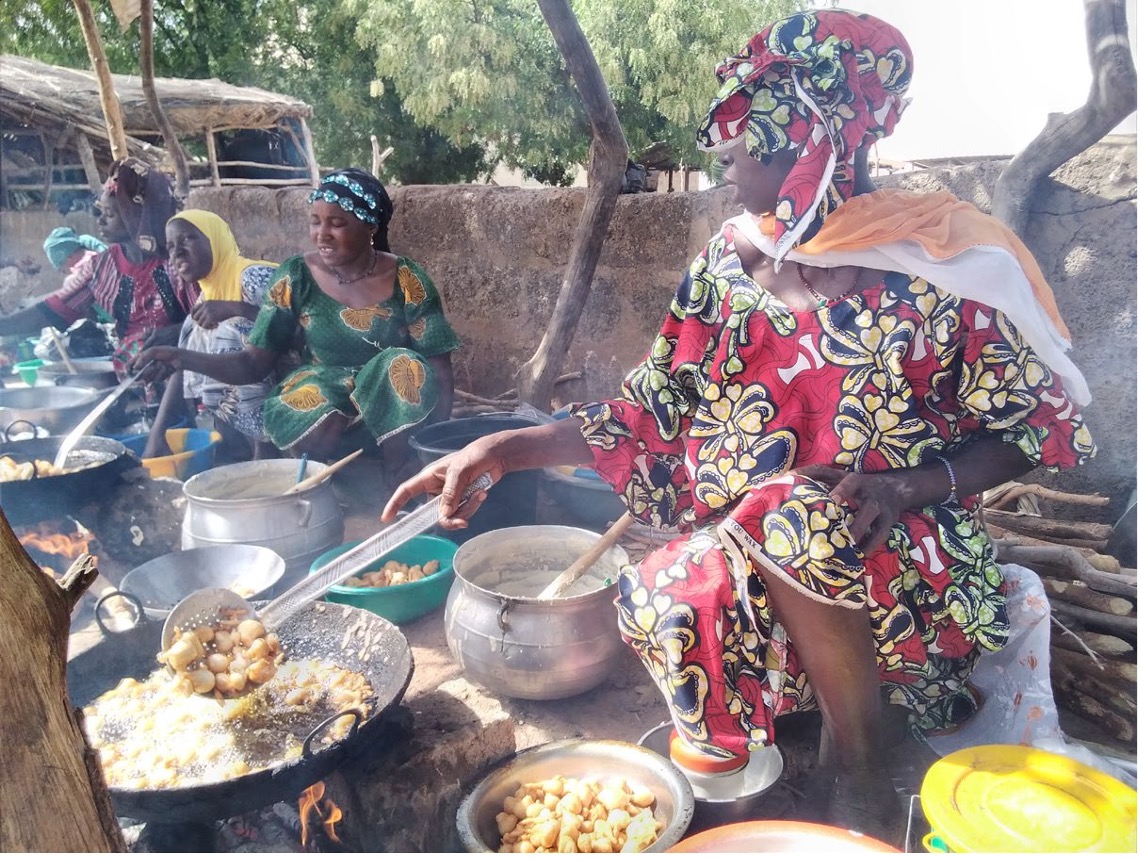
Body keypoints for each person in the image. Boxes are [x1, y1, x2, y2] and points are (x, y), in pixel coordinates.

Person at [381, 9, 1094, 844]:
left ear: (808, 136)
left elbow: (1029, 429)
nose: (721, 153)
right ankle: (737, 806)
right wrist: (503, 446)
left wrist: (907, 485)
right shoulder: (727, 267)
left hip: (902, 550)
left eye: (742, 132)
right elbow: (649, 410)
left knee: (793, 509)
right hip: (756, 541)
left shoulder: (938, 269)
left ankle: (860, 767)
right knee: (663, 592)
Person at [133, 168, 461, 480]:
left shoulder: (406, 278)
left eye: (337, 224)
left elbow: (440, 368)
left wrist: (435, 447)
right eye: (315, 222)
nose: (322, 235)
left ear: (369, 226)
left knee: (400, 364)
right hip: (324, 397)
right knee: (313, 400)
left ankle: (398, 473)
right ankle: (319, 481)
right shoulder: (295, 275)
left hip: (391, 407)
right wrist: (179, 358)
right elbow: (252, 363)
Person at [0, 158, 199, 376]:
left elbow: (212, 322)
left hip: (187, 378)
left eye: (110, 214)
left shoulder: (180, 263)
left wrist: (176, 332)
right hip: (133, 378)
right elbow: (55, 309)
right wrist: (4, 325)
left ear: (136, 215)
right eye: (101, 212)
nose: (100, 221)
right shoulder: (101, 266)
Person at [142, 210, 282, 460]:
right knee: (195, 329)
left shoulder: (253, 277)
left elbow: (297, 329)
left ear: (215, 240)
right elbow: (184, 359)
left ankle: (266, 449)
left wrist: (236, 308)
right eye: (171, 247)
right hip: (256, 373)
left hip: (297, 371)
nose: (177, 253)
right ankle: (237, 446)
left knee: (229, 332)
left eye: (187, 240)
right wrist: (158, 435)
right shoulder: (208, 293)